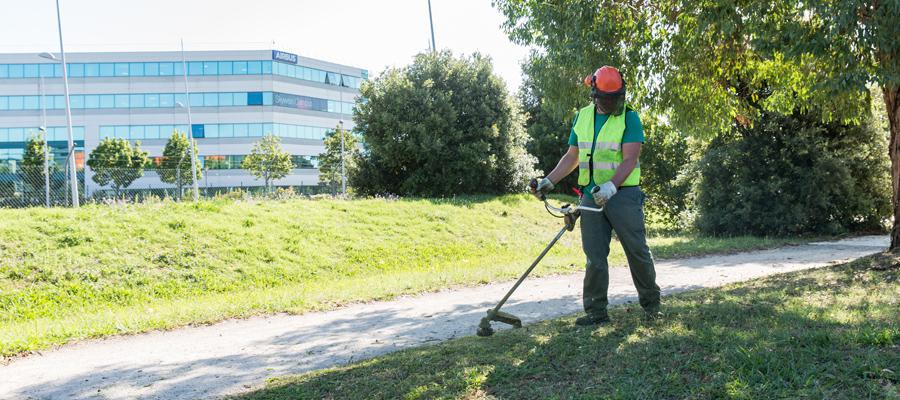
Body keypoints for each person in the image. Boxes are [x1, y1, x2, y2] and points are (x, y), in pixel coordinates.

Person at [530, 66, 662, 325]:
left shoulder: (629, 118)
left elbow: (630, 158)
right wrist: (548, 181)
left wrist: (611, 186)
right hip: (591, 196)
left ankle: (651, 306)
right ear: (595, 94)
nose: (612, 102)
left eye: (616, 97)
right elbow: (572, 157)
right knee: (595, 257)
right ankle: (596, 312)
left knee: (637, 251)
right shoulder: (582, 117)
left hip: (623, 195)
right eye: (606, 98)